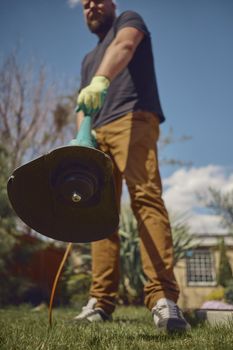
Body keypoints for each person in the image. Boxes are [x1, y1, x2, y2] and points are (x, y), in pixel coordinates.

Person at [74, 0, 190, 333]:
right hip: (98, 133)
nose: (91, 7)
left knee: (146, 200)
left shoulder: (128, 19)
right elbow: (83, 103)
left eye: (97, 0)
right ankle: (100, 302)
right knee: (100, 214)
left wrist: (100, 81)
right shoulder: (86, 60)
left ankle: (162, 299)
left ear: (111, 3)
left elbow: (125, 45)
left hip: (133, 118)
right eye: (84, 5)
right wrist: (83, 135)